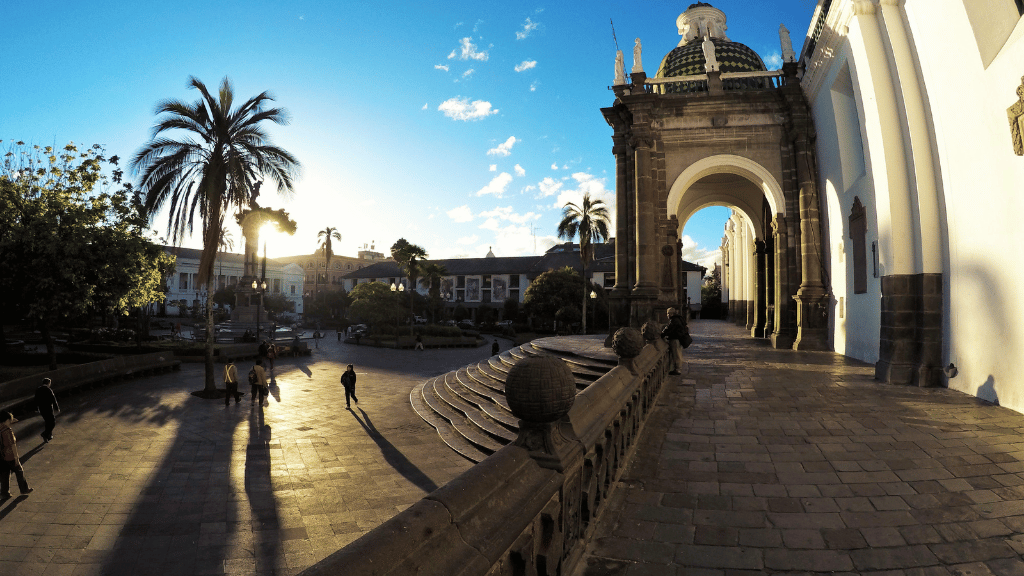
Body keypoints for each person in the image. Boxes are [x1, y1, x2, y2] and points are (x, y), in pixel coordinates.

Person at [0, 412, 32, 498]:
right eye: (9, 420)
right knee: (19, 471)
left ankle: (4, 493)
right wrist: (17, 458)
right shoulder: (8, 431)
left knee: (4, 475)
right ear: (6, 420)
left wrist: (12, 419)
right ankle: (24, 489)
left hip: (1, 457)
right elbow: (13, 446)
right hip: (10, 456)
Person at [661, 307, 690, 376]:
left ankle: (677, 370)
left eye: (668, 313)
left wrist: (662, 335)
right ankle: (677, 368)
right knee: (678, 353)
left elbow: (668, 329)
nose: (667, 315)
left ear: (671, 314)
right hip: (679, 339)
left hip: (675, 339)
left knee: (676, 354)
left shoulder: (674, 320)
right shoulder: (679, 318)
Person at [35, 378, 59, 443]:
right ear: (48, 383)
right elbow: (53, 400)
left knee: (47, 421)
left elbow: (36, 400)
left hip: (42, 409)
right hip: (48, 408)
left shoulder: (38, 389)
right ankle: (45, 434)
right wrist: (56, 408)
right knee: (52, 422)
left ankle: (48, 436)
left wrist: (36, 408)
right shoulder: (48, 390)